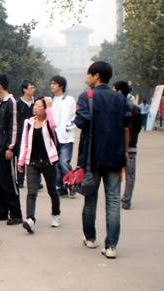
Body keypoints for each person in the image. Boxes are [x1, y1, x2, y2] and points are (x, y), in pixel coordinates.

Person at [75, 61, 130, 259]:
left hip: (92, 157)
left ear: (96, 75)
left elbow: (81, 122)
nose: (87, 77)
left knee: (91, 199)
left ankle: (90, 238)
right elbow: (126, 123)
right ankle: (111, 246)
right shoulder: (120, 98)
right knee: (114, 201)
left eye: (89, 74)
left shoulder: (86, 97)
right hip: (115, 156)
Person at [18, 97, 61, 233]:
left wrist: (49, 108)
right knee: (31, 192)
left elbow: (54, 126)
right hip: (32, 162)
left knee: (52, 191)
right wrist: (21, 161)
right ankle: (30, 219)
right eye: (35, 105)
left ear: (45, 108)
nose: (35, 107)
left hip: (48, 162)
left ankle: (55, 214)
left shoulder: (49, 122)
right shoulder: (29, 123)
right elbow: (24, 143)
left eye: (39, 105)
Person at [0, 73, 23, 225]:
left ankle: (16, 213)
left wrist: (11, 147)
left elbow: (14, 127)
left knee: (8, 182)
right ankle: (1, 211)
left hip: (5, 149)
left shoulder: (11, 102)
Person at [113, 81, 142, 210]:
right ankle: (126, 200)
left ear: (119, 91)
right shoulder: (136, 108)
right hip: (132, 146)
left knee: (115, 173)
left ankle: (114, 197)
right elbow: (138, 128)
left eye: (114, 89)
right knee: (130, 175)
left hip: (117, 147)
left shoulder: (115, 108)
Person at [50, 75, 76, 198]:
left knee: (64, 163)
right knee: (56, 165)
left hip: (66, 138)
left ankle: (72, 184)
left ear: (61, 85)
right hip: (54, 138)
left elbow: (75, 116)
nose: (51, 86)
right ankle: (61, 187)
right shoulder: (51, 100)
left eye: (54, 84)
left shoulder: (69, 99)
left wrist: (68, 127)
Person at [15, 80, 36, 188]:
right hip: (21, 133)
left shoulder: (36, 103)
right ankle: (20, 179)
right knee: (21, 155)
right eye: (31, 87)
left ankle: (36, 180)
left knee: (35, 156)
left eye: (33, 87)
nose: (33, 89)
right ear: (24, 90)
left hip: (35, 132)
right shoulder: (18, 103)